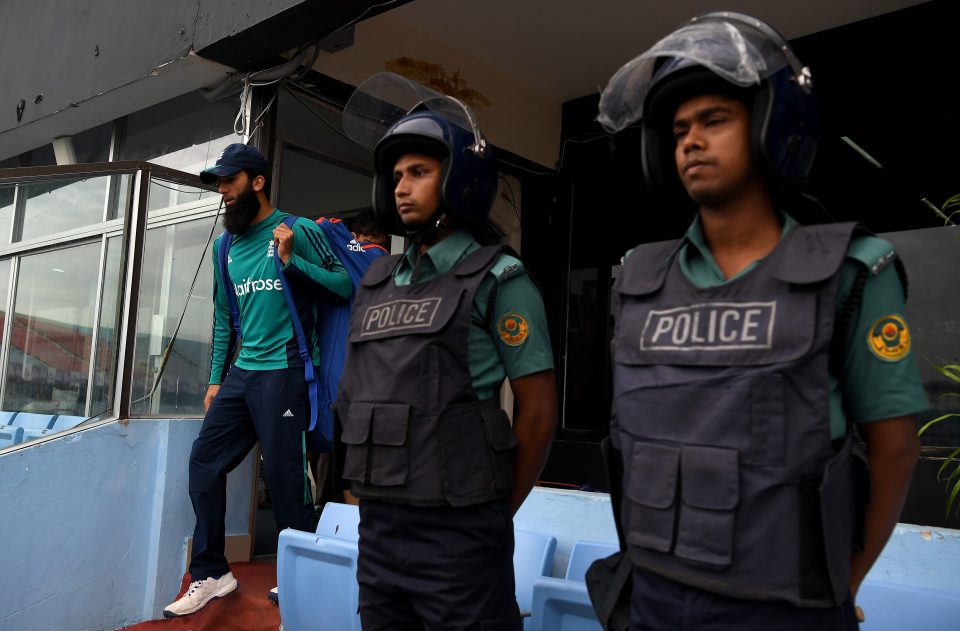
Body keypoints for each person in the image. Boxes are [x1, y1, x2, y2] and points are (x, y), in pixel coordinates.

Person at [595, 12, 925, 630]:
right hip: (656, 600)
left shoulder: (852, 270)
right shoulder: (638, 277)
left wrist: (840, 584)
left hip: (784, 611)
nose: (690, 140)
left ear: (774, 126)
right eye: (678, 130)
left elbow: (895, 449)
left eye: (714, 120)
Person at [334, 96, 558, 629]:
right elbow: (356, 397)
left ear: (460, 180)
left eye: (419, 172)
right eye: (396, 176)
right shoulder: (376, 282)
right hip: (380, 534)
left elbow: (540, 414)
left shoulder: (500, 279)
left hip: (461, 535)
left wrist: (492, 515)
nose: (402, 187)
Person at [163, 143, 352, 618]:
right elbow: (224, 317)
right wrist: (213, 379)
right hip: (242, 374)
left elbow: (344, 286)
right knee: (204, 463)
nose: (222, 192)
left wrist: (292, 261)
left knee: (288, 481)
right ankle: (211, 572)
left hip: (286, 372)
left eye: (229, 182)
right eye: (220, 184)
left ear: (258, 182)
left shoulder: (298, 230)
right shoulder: (226, 246)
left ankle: (299, 578)